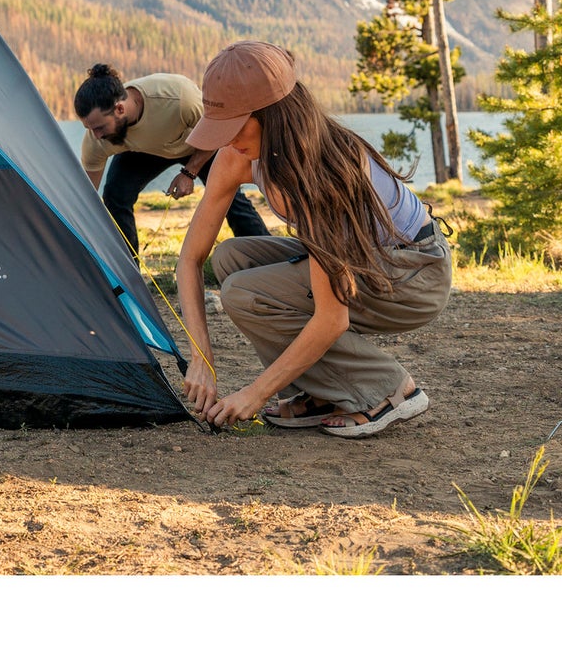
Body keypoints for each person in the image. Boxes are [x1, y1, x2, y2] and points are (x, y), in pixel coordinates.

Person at [175, 41, 449, 438]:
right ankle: (322, 393)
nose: (226, 140)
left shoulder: (317, 173)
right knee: (231, 258)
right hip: (373, 260)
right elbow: (190, 258)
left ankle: (387, 390)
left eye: (234, 127)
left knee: (243, 292)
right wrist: (201, 358)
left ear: (274, 116)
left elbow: (331, 318)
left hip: (414, 274)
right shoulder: (237, 156)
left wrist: (255, 394)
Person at [73, 63, 269, 260]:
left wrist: (189, 172)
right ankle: (127, 271)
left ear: (120, 109)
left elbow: (214, 132)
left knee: (228, 196)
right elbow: (86, 195)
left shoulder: (180, 100)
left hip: (197, 142)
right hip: (143, 150)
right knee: (115, 196)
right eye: (90, 129)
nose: (96, 136)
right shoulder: (97, 140)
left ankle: (266, 256)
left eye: (99, 128)